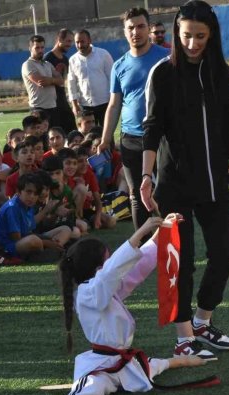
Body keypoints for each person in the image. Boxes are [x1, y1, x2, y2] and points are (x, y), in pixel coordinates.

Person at [141, 0, 229, 360]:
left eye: (200, 36)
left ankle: (203, 320)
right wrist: (145, 176)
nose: (192, 43)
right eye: (186, 35)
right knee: (179, 260)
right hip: (173, 185)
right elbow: (152, 129)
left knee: (224, 251)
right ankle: (183, 336)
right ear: (176, 32)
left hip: (214, 182)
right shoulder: (163, 73)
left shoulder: (220, 72)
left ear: (212, 34)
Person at [55, 215, 206, 395]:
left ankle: (174, 362)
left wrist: (160, 233)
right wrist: (140, 231)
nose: (113, 265)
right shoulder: (89, 293)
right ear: (98, 268)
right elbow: (114, 270)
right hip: (100, 362)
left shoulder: (104, 288)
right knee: (92, 386)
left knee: (148, 365)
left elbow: (136, 266)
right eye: (108, 260)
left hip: (121, 357)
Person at [98, 7, 170, 230]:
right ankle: (142, 248)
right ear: (124, 31)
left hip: (163, 138)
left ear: (148, 28)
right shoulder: (119, 66)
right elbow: (114, 104)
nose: (135, 32)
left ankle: (171, 244)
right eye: (130, 28)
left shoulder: (167, 57)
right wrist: (105, 138)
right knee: (136, 194)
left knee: (167, 192)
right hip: (130, 138)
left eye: (140, 26)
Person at [0, 172, 68, 259]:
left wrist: (48, 240)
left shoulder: (28, 205)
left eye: (36, 193)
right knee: (34, 240)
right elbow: (16, 238)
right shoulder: (12, 208)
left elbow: (30, 228)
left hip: (27, 239)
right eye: (28, 192)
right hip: (10, 247)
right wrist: (45, 242)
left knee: (65, 229)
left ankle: (54, 250)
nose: (32, 196)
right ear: (19, 191)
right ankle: (48, 254)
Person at [67, 30, 113, 126]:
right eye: (77, 42)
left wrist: (113, 100)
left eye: (82, 42)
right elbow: (71, 83)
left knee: (106, 133)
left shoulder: (103, 54)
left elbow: (112, 78)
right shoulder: (73, 60)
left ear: (89, 41)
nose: (79, 45)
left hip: (105, 102)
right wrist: (74, 105)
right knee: (89, 135)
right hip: (85, 105)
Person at [22, 35, 64, 129]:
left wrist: (50, 80)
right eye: (37, 47)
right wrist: (53, 80)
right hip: (38, 108)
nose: (40, 50)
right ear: (30, 48)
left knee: (54, 136)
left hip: (53, 107)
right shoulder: (28, 65)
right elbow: (41, 82)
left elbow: (61, 81)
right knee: (41, 137)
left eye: (42, 47)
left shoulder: (47, 64)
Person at [43, 29, 77, 133]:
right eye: (68, 41)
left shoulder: (65, 59)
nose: (70, 44)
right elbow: (45, 82)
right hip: (52, 104)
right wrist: (56, 81)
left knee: (72, 132)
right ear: (59, 40)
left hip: (63, 101)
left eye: (71, 41)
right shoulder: (48, 58)